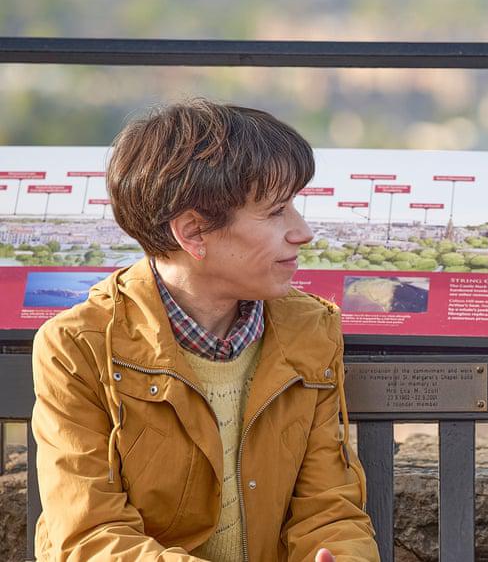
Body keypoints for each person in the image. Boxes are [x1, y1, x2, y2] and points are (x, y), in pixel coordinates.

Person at [31, 99, 379, 561]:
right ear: (193, 232)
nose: (303, 231)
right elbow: (90, 536)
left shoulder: (309, 329)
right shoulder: (77, 346)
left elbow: (328, 510)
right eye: (277, 212)